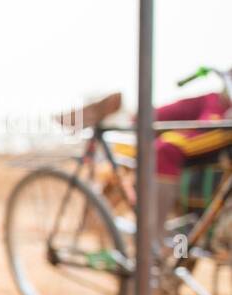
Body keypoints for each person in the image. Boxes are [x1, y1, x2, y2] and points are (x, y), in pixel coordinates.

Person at [70, 83, 232, 238]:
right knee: (159, 143)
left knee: (165, 149)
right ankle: (153, 238)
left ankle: (157, 240)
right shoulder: (213, 100)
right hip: (217, 109)